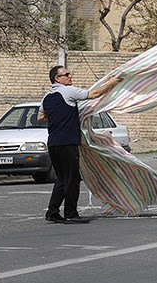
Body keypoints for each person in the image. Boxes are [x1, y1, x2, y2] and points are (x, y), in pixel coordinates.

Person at [39, 65, 122, 224]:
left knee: (62, 179)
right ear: (57, 78)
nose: (70, 76)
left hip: (53, 143)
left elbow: (41, 117)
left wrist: (59, 115)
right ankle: (70, 213)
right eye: (66, 74)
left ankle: (52, 212)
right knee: (72, 179)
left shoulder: (47, 97)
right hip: (67, 142)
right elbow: (94, 94)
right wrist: (113, 82)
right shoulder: (68, 91)